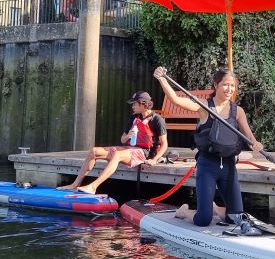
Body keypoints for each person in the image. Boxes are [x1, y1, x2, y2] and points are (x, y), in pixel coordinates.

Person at [153, 66, 264, 236]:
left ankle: (218, 210)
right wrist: (162, 79)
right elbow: (176, 100)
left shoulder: (238, 111)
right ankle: (184, 211)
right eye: (225, 85)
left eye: (233, 85)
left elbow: (250, 137)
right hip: (208, 166)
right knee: (203, 220)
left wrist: (256, 144)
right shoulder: (204, 106)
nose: (229, 89)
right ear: (216, 85)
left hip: (228, 167)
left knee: (234, 217)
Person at [58, 90, 168, 192]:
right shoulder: (134, 117)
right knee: (94, 151)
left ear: (143, 104)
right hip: (130, 149)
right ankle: (75, 185)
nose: (132, 106)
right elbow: (122, 139)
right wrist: (128, 136)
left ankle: (93, 187)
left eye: (134, 104)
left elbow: (164, 144)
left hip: (145, 153)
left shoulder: (157, 120)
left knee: (117, 155)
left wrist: (154, 160)